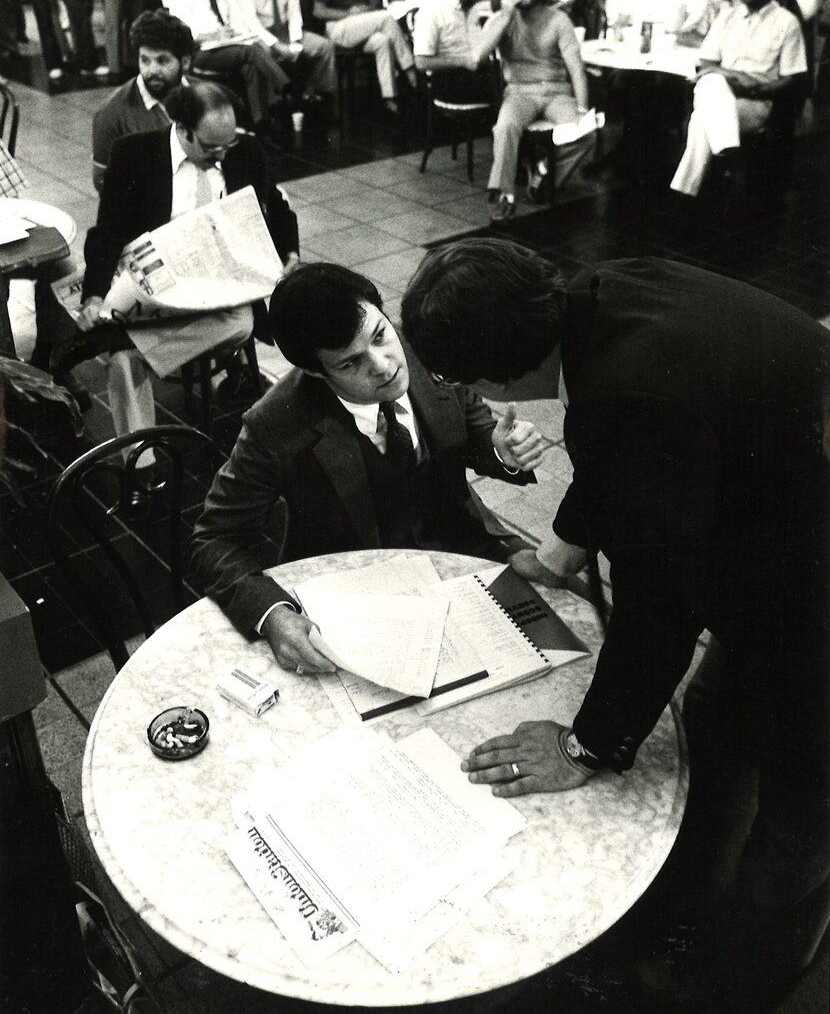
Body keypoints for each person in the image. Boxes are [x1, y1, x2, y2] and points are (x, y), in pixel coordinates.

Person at [400, 239, 830, 1012]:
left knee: (803, 812)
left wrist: (584, 743)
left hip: (811, 591)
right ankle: (691, 889)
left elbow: (658, 606)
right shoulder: (605, 292)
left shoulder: (633, 391)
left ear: (498, 372)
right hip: (784, 519)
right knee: (711, 721)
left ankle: (742, 980)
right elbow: (626, 451)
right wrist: (564, 544)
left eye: (457, 376)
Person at [189, 262, 544, 670]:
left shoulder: (427, 348)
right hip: (358, 597)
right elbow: (214, 540)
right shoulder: (274, 424)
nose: (382, 364)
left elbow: (474, 433)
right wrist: (274, 616)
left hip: (469, 551)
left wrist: (501, 452)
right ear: (314, 371)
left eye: (380, 335)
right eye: (350, 363)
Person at [55, 82, 300, 442]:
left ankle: (116, 339)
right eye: (211, 146)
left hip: (220, 291)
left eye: (227, 144)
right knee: (125, 364)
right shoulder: (134, 154)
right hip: (157, 290)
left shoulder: (246, 151)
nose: (221, 155)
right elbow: (107, 231)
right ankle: (141, 468)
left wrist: (290, 253)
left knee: (239, 325)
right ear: (183, 129)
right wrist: (93, 296)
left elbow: (277, 208)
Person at [670, 0, 807, 196]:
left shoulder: (786, 22)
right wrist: (729, 74)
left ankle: (686, 189)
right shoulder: (728, 16)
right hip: (722, 91)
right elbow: (707, 61)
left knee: (702, 117)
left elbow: (792, 77)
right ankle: (728, 150)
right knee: (711, 81)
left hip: (753, 101)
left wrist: (758, 89)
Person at [471, 0, 594, 221]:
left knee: (587, 134)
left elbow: (576, 68)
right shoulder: (505, 17)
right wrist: (503, 14)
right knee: (504, 128)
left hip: (556, 92)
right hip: (519, 91)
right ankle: (505, 195)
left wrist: (582, 109)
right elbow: (479, 56)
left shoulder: (559, 19)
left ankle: (544, 176)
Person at [169, 0, 291, 137]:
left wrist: (237, 33)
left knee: (252, 62)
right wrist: (210, 35)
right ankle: (283, 85)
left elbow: (240, 21)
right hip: (202, 50)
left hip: (232, 45)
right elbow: (179, 31)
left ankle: (260, 123)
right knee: (252, 52)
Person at [92, 8, 194, 190]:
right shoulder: (110, 114)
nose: (152, 70)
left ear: (185, 62)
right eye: (145, 60)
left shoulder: (207, 96)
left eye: (162, 61)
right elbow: (103, 181)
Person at [413, 0, 495, 102]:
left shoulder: (474, 6)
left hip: (476, 72)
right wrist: (463, 61)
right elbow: (421, 62)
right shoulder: (433, 9)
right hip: (447, 77)